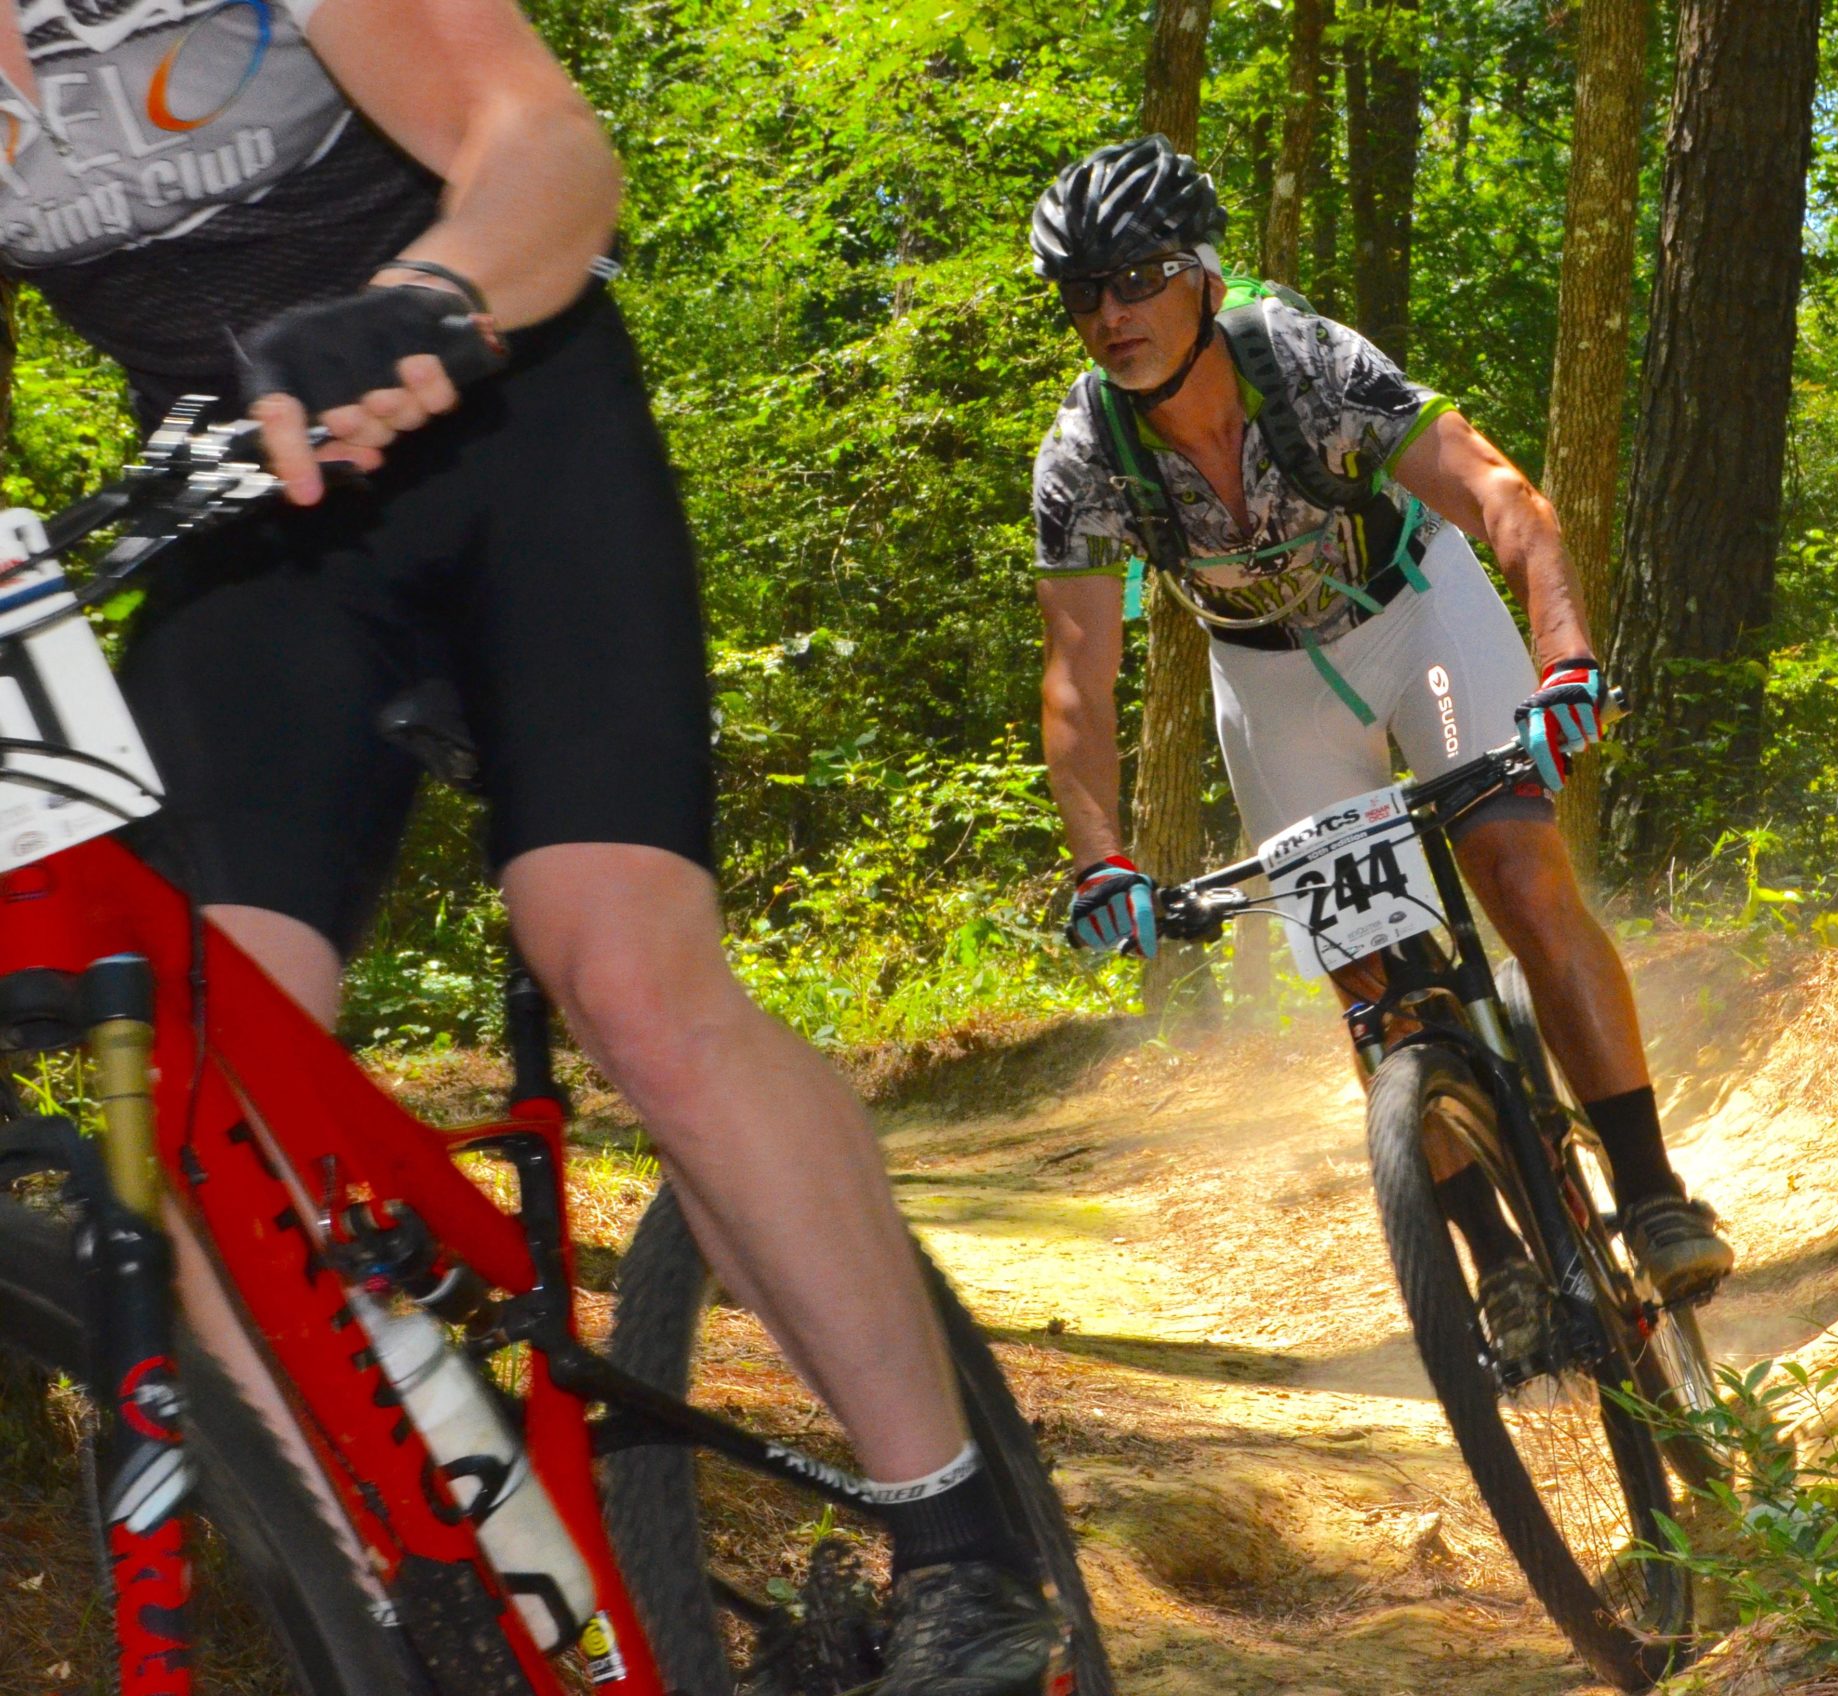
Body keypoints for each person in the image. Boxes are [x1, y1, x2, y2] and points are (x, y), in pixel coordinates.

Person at [0, 0, 1053, 1686]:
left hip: (508, 429)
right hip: (242, 522)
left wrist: (425, 296)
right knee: (191, 1091)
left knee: (623, 965)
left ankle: (957, 1540)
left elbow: (544, 142)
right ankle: (404, 1614)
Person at [1028, 136, 1735, 1359]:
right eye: (1081, 292)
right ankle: (1495, 1262)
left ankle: (1653, 1186)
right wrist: (1101, 859)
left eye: (1136, 277)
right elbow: (1080, 685)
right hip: (1266, 676)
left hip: (1417, 617)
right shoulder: (1085, 456)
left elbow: (1504, 499)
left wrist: (1566, 660)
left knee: (1517, 871)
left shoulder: (1301, 359)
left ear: (1201, 272)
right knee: (1372, 982)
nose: (1110, 314)